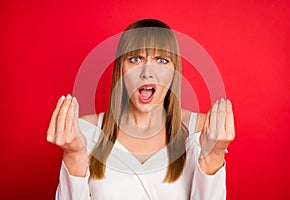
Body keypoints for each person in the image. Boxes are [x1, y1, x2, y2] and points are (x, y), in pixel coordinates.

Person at [47, 19, 235, 200]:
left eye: (161, 60)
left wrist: (214, 155)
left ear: (175, 71)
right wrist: (73, 156)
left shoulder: (202, 131)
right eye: (135, 59)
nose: (147, 72)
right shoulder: (86, 132)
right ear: (121, 68)